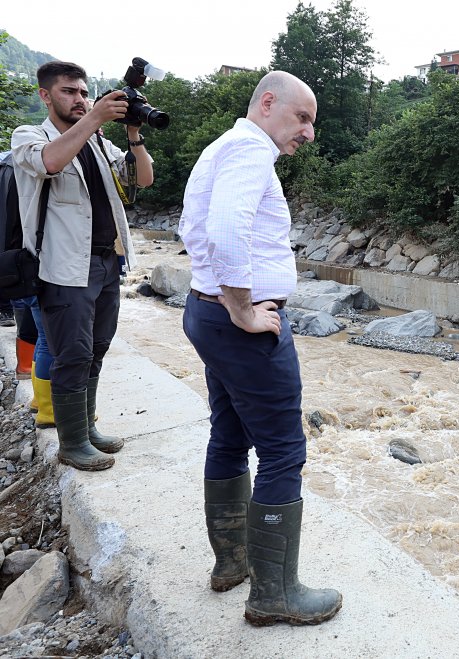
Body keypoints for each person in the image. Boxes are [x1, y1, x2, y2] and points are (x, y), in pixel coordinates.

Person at [179, 71, 341, 627]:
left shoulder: (223, 146)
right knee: (282, 452)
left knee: (227, 434)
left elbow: (190, 227)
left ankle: (232, 564)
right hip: (238, 323)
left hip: (205, 311)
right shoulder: (251, 149)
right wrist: (245, 309)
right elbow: (225, 231)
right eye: (303, 118)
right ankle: (274, 595)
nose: (309, 133)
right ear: (267, 104)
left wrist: (225, 303)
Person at [11, 61, 154, 471]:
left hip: (108, 262)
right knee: (70, 353)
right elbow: (49, 163)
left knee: (96, 348)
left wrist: (132, 134)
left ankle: (86, 429)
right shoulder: (30, 136)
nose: (79, 99)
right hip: (62, 267)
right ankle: (71, 443)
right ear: (45, 95)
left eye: (84, 92)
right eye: (69, 92)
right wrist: (93, 118)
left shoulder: (95, 143)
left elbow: (141, 179)